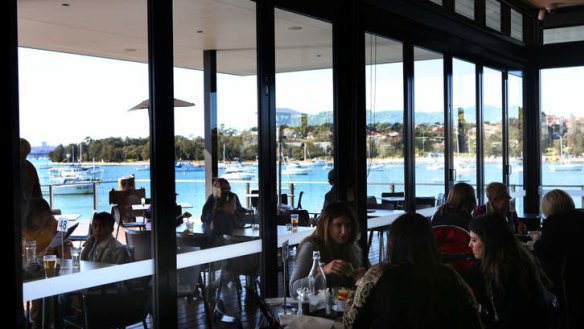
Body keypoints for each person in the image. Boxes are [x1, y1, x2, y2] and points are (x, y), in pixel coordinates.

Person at [343, 213, 481, 329]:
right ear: (429, 242)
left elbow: (351, 323)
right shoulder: (450, 275)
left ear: (393, 243)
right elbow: (473, 317)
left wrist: (357, 285)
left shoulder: (376, 274)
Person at [465, 213, 552, 329]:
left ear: (490, 241)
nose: (469, 244)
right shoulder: (518, 261)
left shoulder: (505, 273)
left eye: (474, 240)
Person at [290, 201, 365, 298]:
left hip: (341, 309)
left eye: (348, 225)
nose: (344, 232)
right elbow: (293, 290)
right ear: (327, 226)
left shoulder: (352, 249)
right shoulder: (311, 247)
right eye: (338, 225)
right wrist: (322, 272)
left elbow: (346, 290)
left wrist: (358, 280)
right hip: (314, 309)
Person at [532, 189, 584, 329]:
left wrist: (536, 240)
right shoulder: (580, 217)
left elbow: (545, 252)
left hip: (565, 280)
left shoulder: (554, 223)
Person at [22, 198, 69, 329]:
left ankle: (53, 322)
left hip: (52, 265)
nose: (44, 220)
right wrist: (39, 256)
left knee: (56, 297)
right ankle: (38, 323)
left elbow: (62, 240)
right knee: (39, 300)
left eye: (46, 216)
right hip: (32, 269)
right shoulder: (22, 230)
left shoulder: (50, 222)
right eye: (39, 217)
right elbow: (24, 258)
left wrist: (64, 251)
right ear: (30, 216)